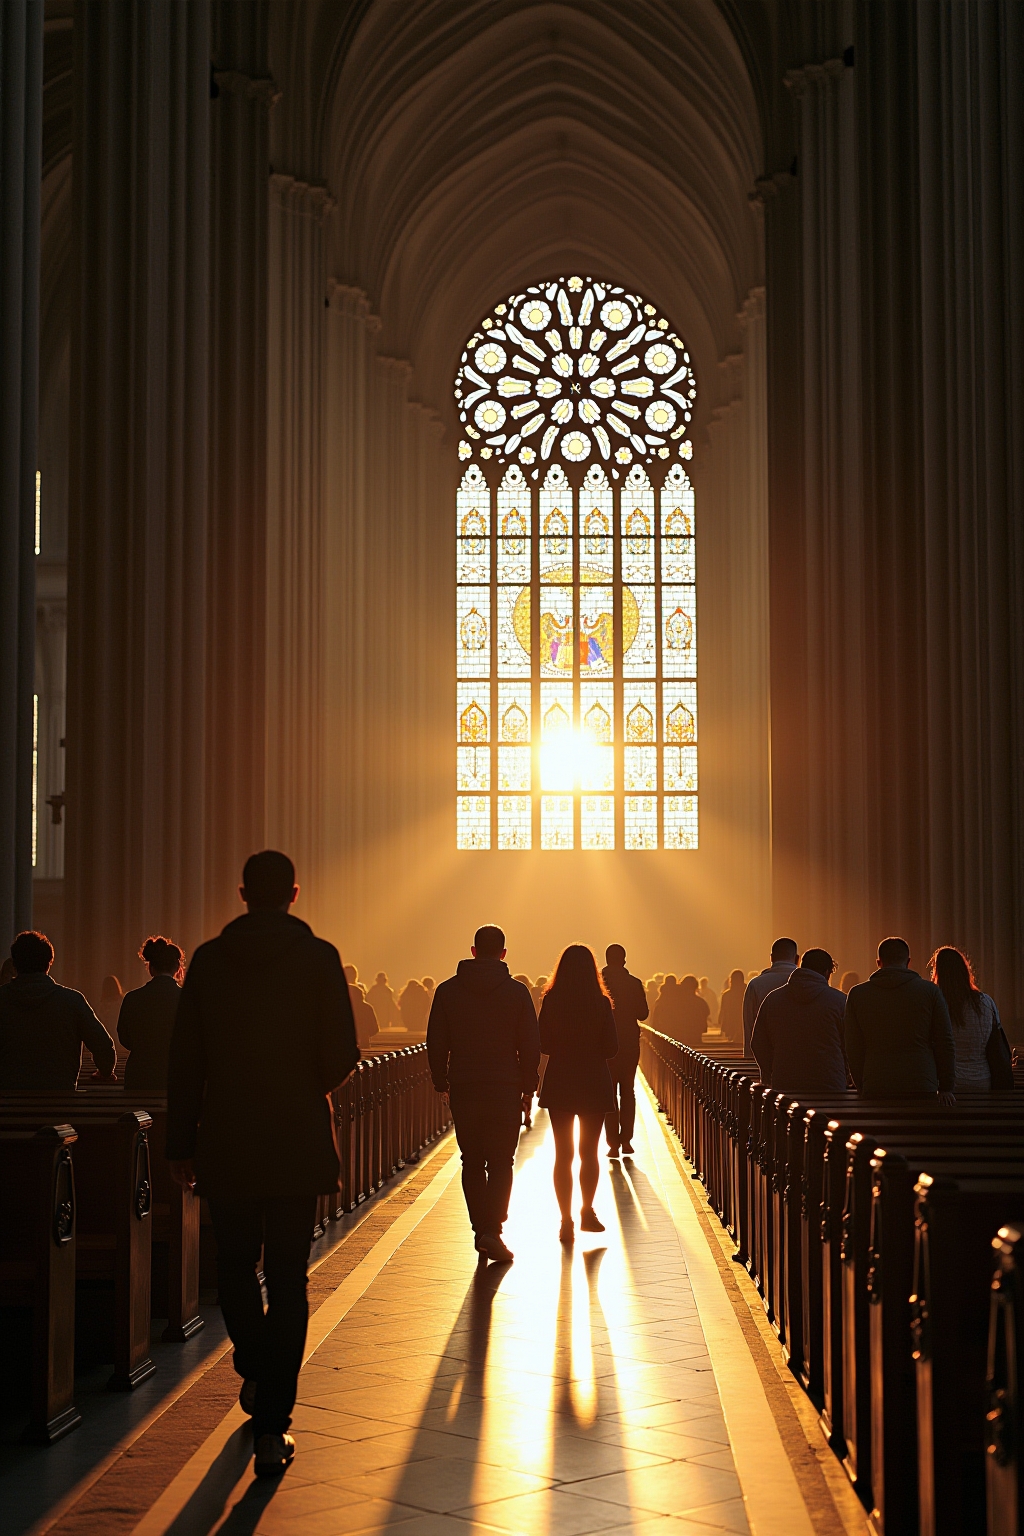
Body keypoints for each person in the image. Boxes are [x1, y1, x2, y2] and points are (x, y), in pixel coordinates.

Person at [166, 850, 359, 1478]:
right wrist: (304, 1086)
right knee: (289, 1276)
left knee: (234, 1267)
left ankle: (254, 1360)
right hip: (296, 1136)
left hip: (228, 1134)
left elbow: (185, 1060)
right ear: (294, 893)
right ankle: (274, 1421)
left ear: (243, 892)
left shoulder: (210, 961)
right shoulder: (320, 957)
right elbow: (342, 1052)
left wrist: (178, 1144)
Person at [427, 925, 539, 1264]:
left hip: (465, 1084)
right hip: (505, 1084)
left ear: (473, 951)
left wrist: (441, 1082)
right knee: (502, 1160)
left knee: (472, 1160)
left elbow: (436, 1041)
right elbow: (530, 1045)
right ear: (503, 954)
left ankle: (481, 1229)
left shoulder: (447, 991)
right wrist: (528, 1087)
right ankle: (494, 1228)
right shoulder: (517, 993)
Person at [539, 945, 619, 1243]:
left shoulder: (552, 1000)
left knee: (563, 1154)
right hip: (592, 1079)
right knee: (589, 1152)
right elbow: (612, 1048)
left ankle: (565, 1220)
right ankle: (587, 1210)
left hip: (561, 1078)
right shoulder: (600, 1003)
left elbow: (543, 1043)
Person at [844, 936, 955, 1102]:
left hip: (876, 1081)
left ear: (878, 962)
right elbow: (944, 1040)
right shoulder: (930, 991)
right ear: (908, 961)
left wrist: (862, 1083)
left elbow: (852, 1045)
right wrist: (946, 1086)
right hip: (921, 1080)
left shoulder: (858, 994)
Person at [0, 930, 116, 1088]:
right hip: (60, 1098)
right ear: (49, 962)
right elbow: (103, 1046)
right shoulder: (71, 1001)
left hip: (8, 1101)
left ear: (15, 963)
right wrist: (105, 1071)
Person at [751, 948, 848, 1094]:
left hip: (785, 1082)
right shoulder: (839, 1001)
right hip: (829, 1082)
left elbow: (758, 1043)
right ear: (827, 972)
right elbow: (851, 1044)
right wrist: (844, 1072)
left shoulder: (773, 999)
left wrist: (771, 1070)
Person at [929, 946, 1003, 1092]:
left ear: (938, 972)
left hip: (947, 1084)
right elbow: (995, 1040)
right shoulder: (985, 1002)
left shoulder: (936, 1002)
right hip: (981, 1079)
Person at [118, 936, 185, 1091]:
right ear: (176, 967)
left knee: (139, 1114)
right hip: (176, 1074)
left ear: (150, 968)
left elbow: (124, 1037)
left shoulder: (133, 998)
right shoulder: (188, 999)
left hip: (140, 1075)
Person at [601, 944, 649, 1157]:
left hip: (604, 1045)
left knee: (608, 1093)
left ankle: (612, 1142)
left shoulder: (598, 983)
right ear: (624, 960)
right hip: (629, 1043)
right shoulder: (634, 983)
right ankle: (627, 1140)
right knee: (627, 1091)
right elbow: (643, 1014)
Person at [742, 939, 799, 1055]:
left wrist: (749, 1059)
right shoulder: (807, 983)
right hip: (801, 1057)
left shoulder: (756, 985)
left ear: (771, 958)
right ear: (797, 959)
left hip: (765, 1056)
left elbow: (749, 1027)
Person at [344, 965, 378, 1050]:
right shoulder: (367, 1007)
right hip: (364, 1043)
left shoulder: (339, 1007)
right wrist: (365, 1034)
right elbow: (374, 1028)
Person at [675, 974, 710, 1047]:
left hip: (682, 1032)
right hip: (696, 1032)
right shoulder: (700, 1002)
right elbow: (707, 1012)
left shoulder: (678, 1002)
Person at [718, 969, 745, 1043]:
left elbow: (723, 1011)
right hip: (744, 1023)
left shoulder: (727, 995)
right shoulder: (748, 990)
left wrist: (722, 1023)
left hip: (731, 1023)